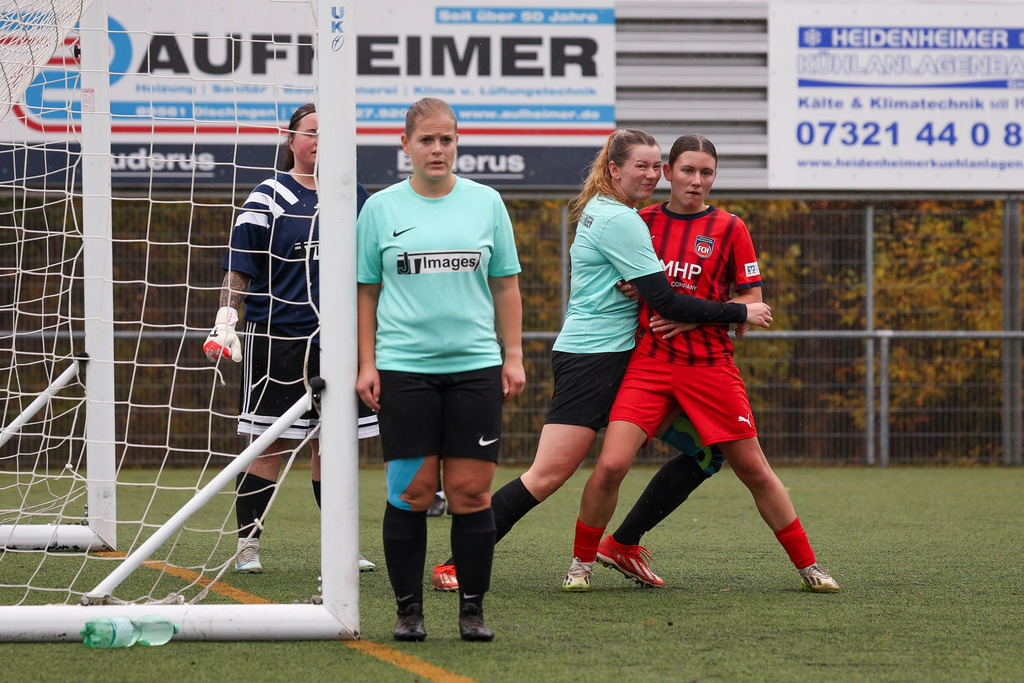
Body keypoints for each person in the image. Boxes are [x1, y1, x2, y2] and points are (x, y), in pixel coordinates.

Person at [430, 128, 772, 592]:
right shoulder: (622, 220)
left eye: (656, 167)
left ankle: (624, 543)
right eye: (641, 166)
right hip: (594, 359)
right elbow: (668, 302)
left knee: (707, 452)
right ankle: (455, 562)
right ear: (614, 169)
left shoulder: (612, 211)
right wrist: (740, 311)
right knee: (548, 474)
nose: (652, 175)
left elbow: (658, 290)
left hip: (624, 358)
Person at [562, 134, 839, 594]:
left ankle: (809, 566)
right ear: (667, 173)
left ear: (714, 177)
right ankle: (580, 563)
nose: (696, 181)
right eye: (687, 170)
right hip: (648, 364)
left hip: (710, 366)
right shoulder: (639, 221)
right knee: (610, 465)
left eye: (706, 172)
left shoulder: (730, 228)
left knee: (752, 468)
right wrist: (636, 291)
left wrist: (690, 321)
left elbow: (753, 303)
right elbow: (616, 282)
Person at [355, 97, 525, 643]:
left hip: (476, 366)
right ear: (405, 145)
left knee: (472, 492)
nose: (437, 149)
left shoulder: (487, 202)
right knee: (414, 491)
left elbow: (505, 284)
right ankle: (409, 613)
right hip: (404, 368)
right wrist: (367, 363)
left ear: (458, 142)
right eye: (426, 139)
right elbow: (366, 291)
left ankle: (472, 612)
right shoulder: (380, 207)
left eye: (446, 139)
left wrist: (513, 355)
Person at [203, 102, 378, 575]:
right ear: (292, 140)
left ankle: (343, 546)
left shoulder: (355, 196)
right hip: (276, 339)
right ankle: (247, 546)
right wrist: (226, 318)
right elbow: (239, 267)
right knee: (268, 442)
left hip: (338, 344)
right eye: (311, 132)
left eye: (330, 132)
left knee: (335, 443)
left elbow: (372, 273)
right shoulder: (268, 196)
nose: (320, 140)